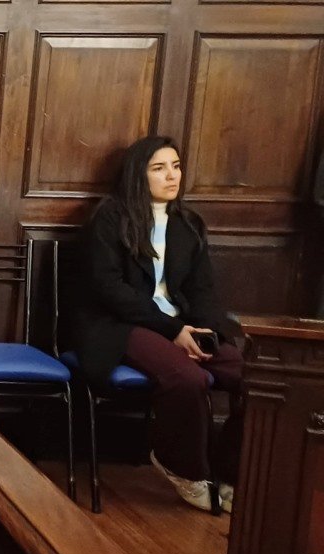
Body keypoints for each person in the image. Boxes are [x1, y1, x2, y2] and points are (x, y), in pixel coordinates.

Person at [74, 135, 244, 512]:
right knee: (188, 378)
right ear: (138, 175)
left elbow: (203, 290)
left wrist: (208, 332)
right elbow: (109, 290)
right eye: (159, 168)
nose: (172, 175)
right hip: (118, 325)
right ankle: (185, 470)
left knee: (255, 379)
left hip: (179, 324)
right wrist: (173, 331)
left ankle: (232, 474)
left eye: (176, 166)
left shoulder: (188, 224)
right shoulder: (110, 218)